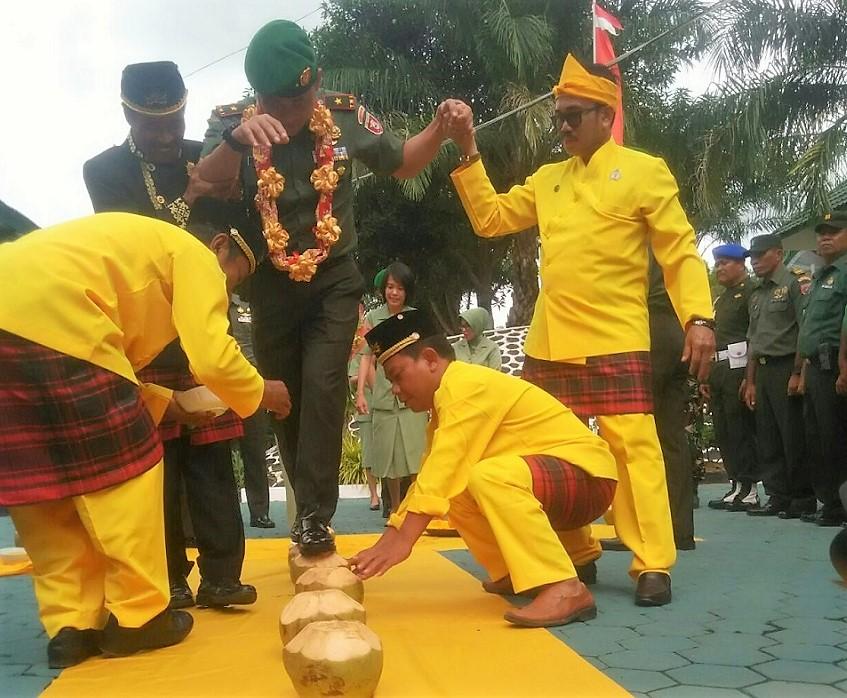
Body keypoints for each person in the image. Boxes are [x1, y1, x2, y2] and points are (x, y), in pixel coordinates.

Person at [443, 54, 714, 605]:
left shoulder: (645, 171)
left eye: (573, 115)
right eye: (558, 117)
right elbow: (490, 218)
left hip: (617, 336)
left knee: (635, 452)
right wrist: (469, 150)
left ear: (604, 114)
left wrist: (699, 318)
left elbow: (680, 253)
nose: (562, 126)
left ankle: (653, 563)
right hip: (551, 341)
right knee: (553, 449)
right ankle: (578, 552)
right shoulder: (548, 180)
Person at [195, 19, 470, 556]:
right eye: (280, 104)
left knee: (323, 383)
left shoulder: (343, 117)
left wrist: (439, 128)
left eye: (302, 100)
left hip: (334, 280)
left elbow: (401, 161)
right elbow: (201, 182)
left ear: (316, 84)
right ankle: (309, 508)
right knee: (285, 398)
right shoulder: (231, 125)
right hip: (269, 287)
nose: (293, 115)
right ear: (260, 96)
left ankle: (316, 519)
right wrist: (233, 144)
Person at [0, 207, 290, 668]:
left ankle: (71, 626)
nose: (228, 289)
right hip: (64, 320)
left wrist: (162, 402)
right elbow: (213, 361)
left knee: (42, 485)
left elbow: (117, 369)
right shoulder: (193, 255)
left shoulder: (120, 248)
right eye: (236, 275)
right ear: (219, 246)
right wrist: (261, 393)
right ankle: (139, 616)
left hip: (17, 314)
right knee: (126, 471)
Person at [82, 61, 255, 610]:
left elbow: (242, 228)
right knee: (158, 462)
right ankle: (169, 579)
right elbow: (135, 240)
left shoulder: (208, 157)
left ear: (184, 110)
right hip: (146, 336)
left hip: (204, 328)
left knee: (214, 456)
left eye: (173, 122)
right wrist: (197, 192)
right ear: (128, 116)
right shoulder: (104, 170)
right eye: (151, 125)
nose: (164, 136)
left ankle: (224, 575)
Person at [349, 310, 618, 628]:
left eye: (397, 375)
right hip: (570, 476)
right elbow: (432, 479)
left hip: (588, 478)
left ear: (431, 359)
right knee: (460, 489)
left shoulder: (464, 386)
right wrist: (395, 530)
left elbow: (445, 468)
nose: (394, 389)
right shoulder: (447, 402)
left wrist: (403, 538)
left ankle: (564, 587)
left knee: (486, 477)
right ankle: (541, 566)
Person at [743, 234, 815, 518]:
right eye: (753, 257)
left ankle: (802, 497)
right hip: (761, 369)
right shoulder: (757, 294)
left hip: (786, 365)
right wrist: (749, 381)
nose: (756, 261)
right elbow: (753, 340)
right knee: (768, 435)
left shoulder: (795, 284)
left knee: (792, 434)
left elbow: (804, 329)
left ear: (779, 254)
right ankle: (777, 495)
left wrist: (798, 372)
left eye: (762, 255)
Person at [356, 263, 428, 515]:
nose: (394, 292)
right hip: (384, 397)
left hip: (413, 396)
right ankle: (396, 508)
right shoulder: (373, 318)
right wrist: (361, 392)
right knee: (388, 459)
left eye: (399, 288)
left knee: (415, 453)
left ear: (407, 291)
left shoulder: (416, 316)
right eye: (389, 287)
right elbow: (366, 357)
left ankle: (416, 509)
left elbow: (425, 355)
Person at [796, 211, 847, 525]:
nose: (825, 237)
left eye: (834, 231)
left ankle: (840, 504)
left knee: (836, 438)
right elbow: (808, 330)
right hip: (815, 367)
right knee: (817, 439)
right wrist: (801, 371)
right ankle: (830, 503)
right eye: (821, 233)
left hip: (835, 367)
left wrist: (844, 365)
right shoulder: (821, 276)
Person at [704, 244, 760, 511]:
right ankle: (736, 483)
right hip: (719, 368)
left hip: (739, 367)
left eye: (725, 263)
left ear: (741, 264)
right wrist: (706, 376)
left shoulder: (751, 292)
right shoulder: (721, 298)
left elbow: (755, 335)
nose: (720, 268)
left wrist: (750, 378)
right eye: (718, 264)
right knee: (724, 429)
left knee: (740, 429)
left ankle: (749, 487)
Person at [647, 258, 696, 550]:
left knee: (640, 436)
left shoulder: (633, 231)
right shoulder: (670, 241)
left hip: (649, 327)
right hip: (676, 330)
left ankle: (646, 529)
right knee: (672, 438)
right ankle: (680, 530)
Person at [230, 293, 275, 529]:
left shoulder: (254, 304)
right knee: (217, 452)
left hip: (252, 384)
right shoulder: (214, 299)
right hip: (221, 382)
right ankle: (225, 511)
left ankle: (259, 511)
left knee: (254, 450)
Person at [348, 303, 380, 510]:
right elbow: (351, 377)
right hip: (367, 406)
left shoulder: (382, 351)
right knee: (369, 453)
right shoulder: (357, 351)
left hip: (386, 405)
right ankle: (374, 496)